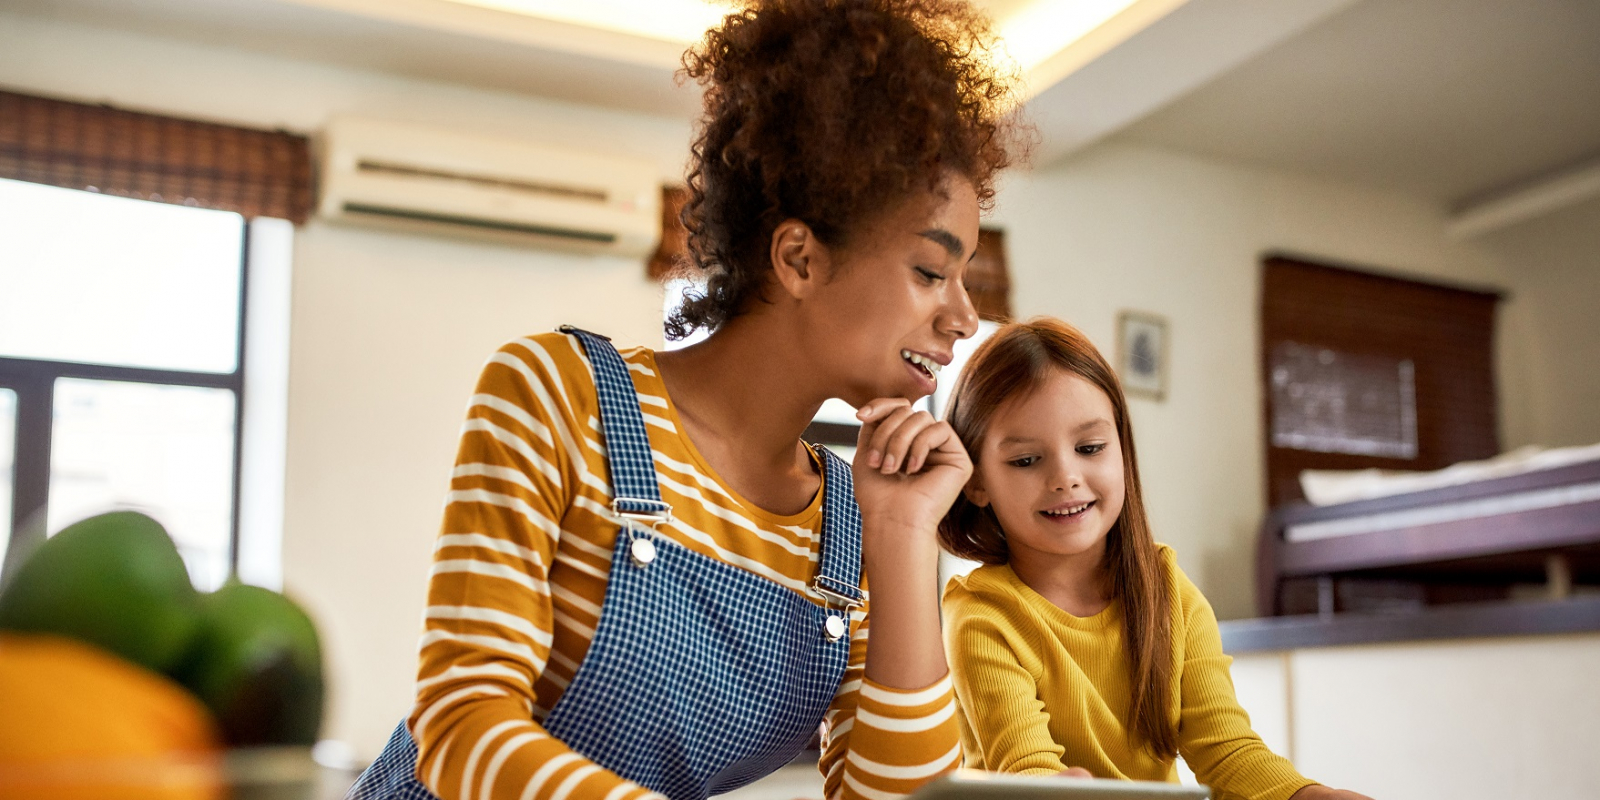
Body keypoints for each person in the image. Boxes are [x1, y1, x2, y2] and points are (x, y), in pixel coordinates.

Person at [343, 1, 1018, 799]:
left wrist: (904, 535)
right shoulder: (557, 393)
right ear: (799, 258)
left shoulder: (850, 519)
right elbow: (462, 723)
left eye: (968, 277)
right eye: (931, 273)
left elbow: (894, 798)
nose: (965, 317)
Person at [937, 318, 1374, 800]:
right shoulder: (981, 612)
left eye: (1090, 448)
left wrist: (1307, 795)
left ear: (1121, 450)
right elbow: (1027, 773)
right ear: (976, 481)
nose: (1066, 477)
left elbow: (1227, 753)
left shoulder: (1166, 589)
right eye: (1025, 460)